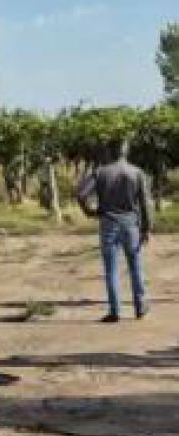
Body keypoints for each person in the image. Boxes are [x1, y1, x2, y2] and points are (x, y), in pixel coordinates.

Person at [76, 138, 153, 322]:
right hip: (131, 224)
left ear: (110, 152)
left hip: (108, 223)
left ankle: (115, 311)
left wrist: (90, 212)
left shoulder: (100, 172)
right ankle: (140, 307)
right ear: (126, 151)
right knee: (135, 266)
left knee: (111, 269)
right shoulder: (137, 172)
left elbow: (81, 194)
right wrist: (146, 228)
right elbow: (145, 203)